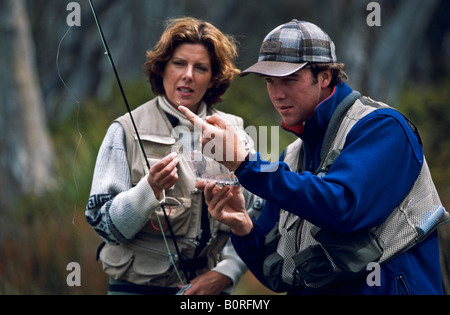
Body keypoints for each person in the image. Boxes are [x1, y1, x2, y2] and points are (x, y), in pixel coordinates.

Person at [180, 19, 450, 295]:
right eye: (269, 81)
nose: (277, 94)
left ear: (325, 76)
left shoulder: (383, 128)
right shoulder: (292, 157)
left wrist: (245, 163)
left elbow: (342, 206)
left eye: (289, 79)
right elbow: (277, 274)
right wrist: (242, 226)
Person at [85, 17, 257, 295]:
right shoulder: (124, 131)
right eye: (179, 63)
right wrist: (147, 190)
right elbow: (103, 226)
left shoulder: (236, 133)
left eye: (200, 67)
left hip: (212, 291)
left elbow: (257, 214)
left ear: (213, 77)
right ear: (162, 68)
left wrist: (227, 272)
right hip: (136, 289)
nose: (188, 74)